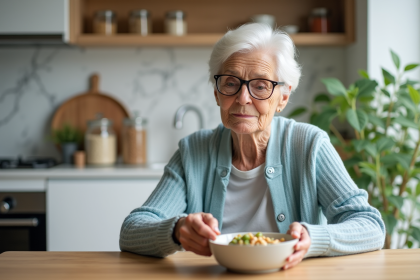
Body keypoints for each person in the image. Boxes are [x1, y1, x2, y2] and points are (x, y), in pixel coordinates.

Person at [119, 23, 385, 270]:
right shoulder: (193, 151)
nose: (243, 98)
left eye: (260, 86)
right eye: (231, 83)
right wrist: (176, 230)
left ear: (283, 97)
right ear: (216, 93)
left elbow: (370, 226)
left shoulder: (309, 145)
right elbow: (132, 230)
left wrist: (312, 237)